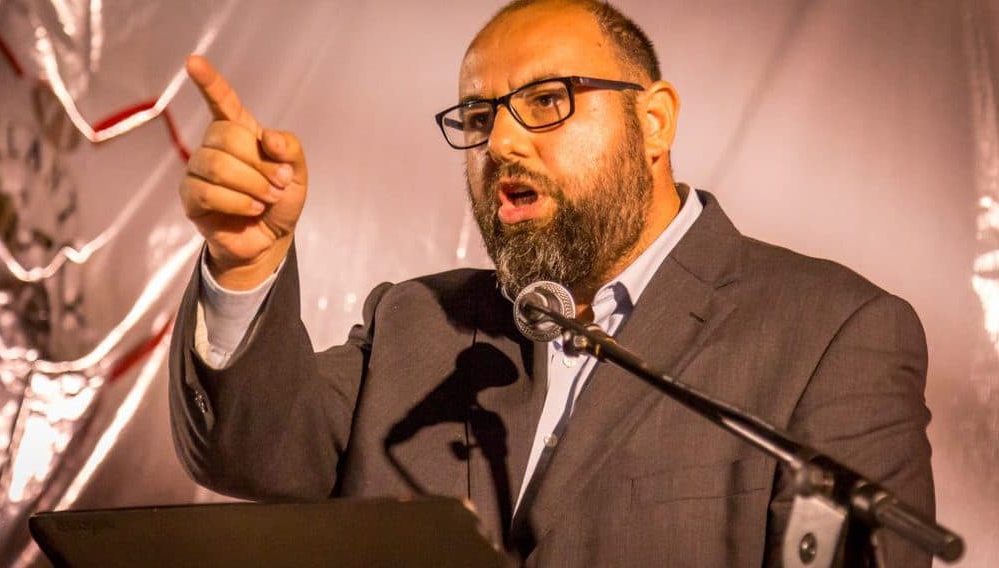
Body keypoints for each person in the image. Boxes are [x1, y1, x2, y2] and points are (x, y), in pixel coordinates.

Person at [169, 1, 935, 565]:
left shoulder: (834, 333)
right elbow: (251, 451)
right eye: (479, 117)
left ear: (654, 122)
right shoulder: (416, 321)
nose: (501, 141)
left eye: (546, 101)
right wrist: (243, 262)